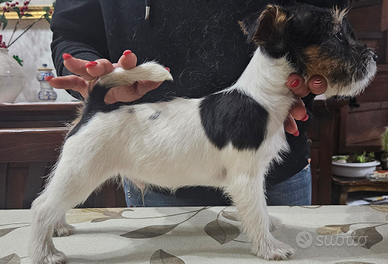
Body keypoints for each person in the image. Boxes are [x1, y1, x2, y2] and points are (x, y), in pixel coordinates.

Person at [47, 0, 347, 206]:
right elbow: (71, 32)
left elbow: (326, 15)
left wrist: (317, 71)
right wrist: (92, 71)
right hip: (157, 166)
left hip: (277, 169)